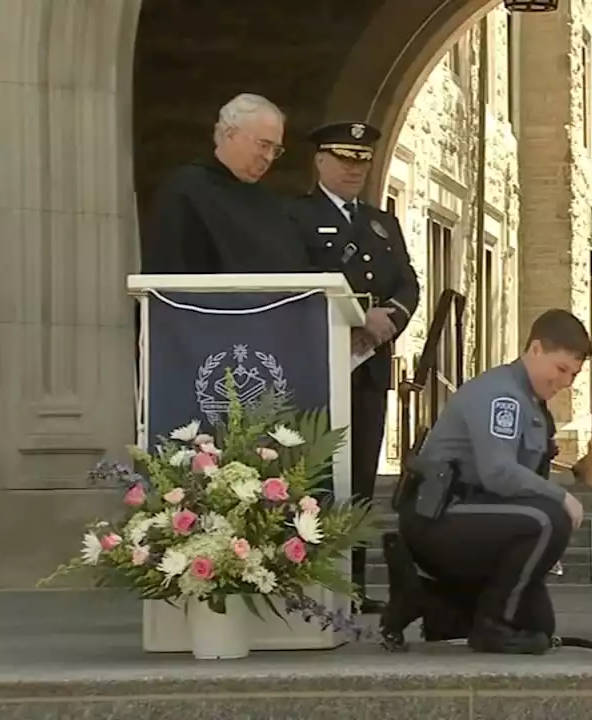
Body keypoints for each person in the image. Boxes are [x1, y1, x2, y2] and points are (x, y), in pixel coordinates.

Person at [396, 309, 591, 654]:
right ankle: (491, 626)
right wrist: (560, 496)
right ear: (535, 350)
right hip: (440, 514)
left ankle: (437, 602)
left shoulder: (531, 401)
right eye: (561, 369)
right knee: (548, 520)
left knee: (538, 630)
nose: (565, 383)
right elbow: (498, 471)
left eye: (573, 374)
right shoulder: (503, 395)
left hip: (476, 514)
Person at [289, 120, 421, 614]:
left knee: (361, 479)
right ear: (320, 160)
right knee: (315, 475)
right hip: (320, 365)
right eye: (344, 158)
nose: (353, 169)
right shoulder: (297, 217)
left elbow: (407, 283)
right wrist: (354, 314)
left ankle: (355, 584)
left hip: (369, 367)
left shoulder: (382, 223)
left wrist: (390, 319)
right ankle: (310, 578)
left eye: (362, 160)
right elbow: (293, 277)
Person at [140, 93, 312, 274]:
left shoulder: (268, 202)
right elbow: (169, 268)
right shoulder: (185, 190)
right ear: (230, 134)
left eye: (275, 150)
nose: (269, 157)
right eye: (263, 145)